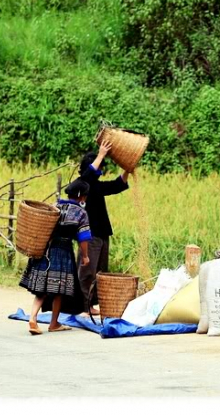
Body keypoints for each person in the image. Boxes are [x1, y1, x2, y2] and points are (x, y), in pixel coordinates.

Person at [19, 179, 93, 335]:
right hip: (63, 252)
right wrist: (85, 256)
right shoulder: (80, 213)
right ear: (81, 197)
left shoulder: (55, 206)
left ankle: (33, 318)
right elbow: (83, 237)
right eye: (85, 196)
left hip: (45, 250)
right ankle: (53, 324)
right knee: (59, 290)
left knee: (41, 290)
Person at [78, 140, 130, 315]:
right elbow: (88, 176)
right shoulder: (82, 185)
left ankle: (92, 304)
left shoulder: (97, 186)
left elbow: (117, 185)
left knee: (100, 271)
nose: (100, 171)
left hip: (102, 234)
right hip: (89, 234)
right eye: (99, 166)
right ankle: (83, 305)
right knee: (87, 270)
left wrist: (127, 169)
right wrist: (101, 154)